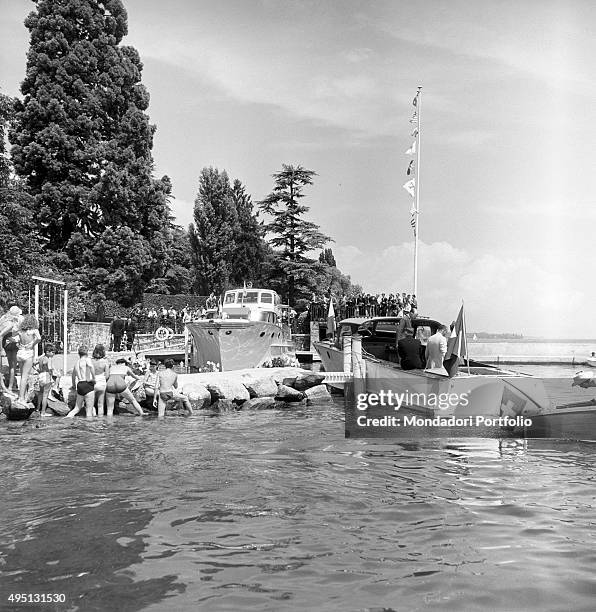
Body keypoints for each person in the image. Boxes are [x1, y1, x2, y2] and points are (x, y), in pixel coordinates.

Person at [16, 315, 42, 403]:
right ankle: (21, 398)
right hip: (28, 353)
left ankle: (23, 395)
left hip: (20, 353)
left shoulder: (20, 331)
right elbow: (39, 338)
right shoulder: (34, 330)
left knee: (22, 376)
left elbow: (15, 338)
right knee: (24, 377)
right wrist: (33, 343)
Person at [67, 346, 96, 417]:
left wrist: (74, 385)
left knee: (77, 408)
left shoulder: (76, 363)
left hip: (80, 384)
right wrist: (94, 378)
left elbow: (73, 376)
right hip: (87, 384)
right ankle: (88, 426)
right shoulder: (87, 359)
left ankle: (66, 418)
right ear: (86, 352)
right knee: (89, 410)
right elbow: (91, 367)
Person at [0, 306, 23, 392]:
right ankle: (10, 387)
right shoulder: (12, 323)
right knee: (12, 366)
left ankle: (6, 386)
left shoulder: (3, 318)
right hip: (11, 344)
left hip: (5, 343)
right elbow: (2, 334)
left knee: (8, 366)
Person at [36, 343, 57, 416]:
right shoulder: (48, 359)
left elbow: (33, 364)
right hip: (46, 376)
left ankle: (38, 408)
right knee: (45, 395)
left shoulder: (41, 358)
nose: (53, 354)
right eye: (52, 352)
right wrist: (53, 378)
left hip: (41, 375)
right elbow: (50, 369)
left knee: (40, 393)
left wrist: (38, 370)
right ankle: (43, 412)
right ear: (47, 352)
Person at [92, 344, 110, 416]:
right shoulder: (105, 361)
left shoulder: (91, 361)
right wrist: (102, 379)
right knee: (100, 404)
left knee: (91, 404)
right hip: (102, 383)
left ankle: (92, 420)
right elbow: (107, 375)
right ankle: (100, 421)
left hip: (93, 382)